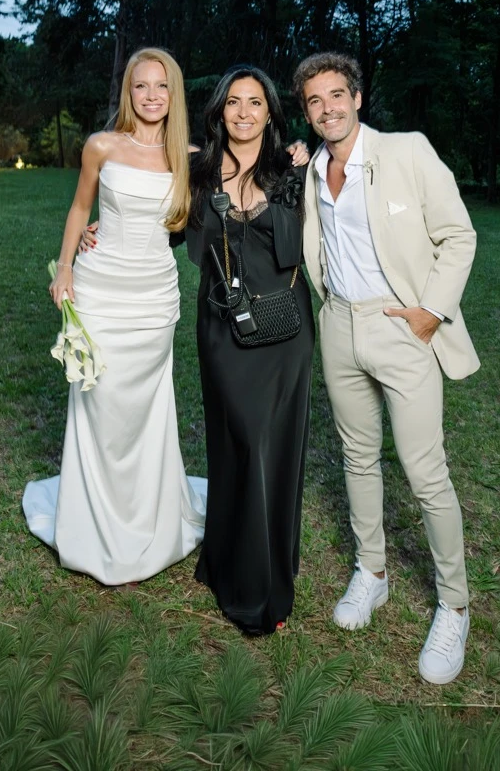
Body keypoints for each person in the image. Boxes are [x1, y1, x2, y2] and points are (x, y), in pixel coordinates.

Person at [293, 52, 479, 684]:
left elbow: (459, 235)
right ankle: (371, 572)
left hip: (402, 326)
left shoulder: (406, 151)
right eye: (315, 101)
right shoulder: (311, 169)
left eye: (336, 95)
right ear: (307, 112)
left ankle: (454, 605)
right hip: (338, 325)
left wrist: (431, 311)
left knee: (426, 473)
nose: (328, 108)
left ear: (357, 97)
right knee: (357, 456)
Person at [22, 48, 207, 584]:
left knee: (145, 408)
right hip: (100, 290)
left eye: (161, 86)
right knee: (98, 401)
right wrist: (64, 267)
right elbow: (81, 208)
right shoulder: (101, 146)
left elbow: (246, 173)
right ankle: (93, 520)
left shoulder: (191, 157)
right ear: (128, 91)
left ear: (173, 94)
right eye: (141, 85)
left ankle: (148, 514)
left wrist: (294, 152)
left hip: (153, 299)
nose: (151, 96)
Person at [185, 66, 315, 635]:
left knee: (270, 449)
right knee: (234, 441)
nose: (243, 112)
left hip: (284, 331)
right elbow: (162, 226)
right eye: (233, 102)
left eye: (255, 102)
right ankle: (224, 561)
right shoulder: (198, 171)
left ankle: (264, 589)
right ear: (219, 111)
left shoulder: (292, 168)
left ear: (269, 112)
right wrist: (97, 231)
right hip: (221, 326)